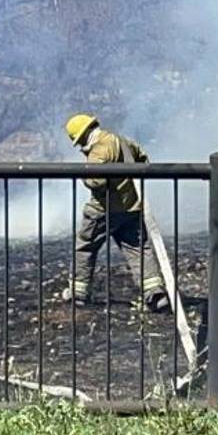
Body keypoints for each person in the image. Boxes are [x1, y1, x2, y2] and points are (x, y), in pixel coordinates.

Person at [62, 112, 169, 312]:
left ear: (83, 136)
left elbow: (97, 181)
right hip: (131, 208)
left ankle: (78, 293)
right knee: (138, 250)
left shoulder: (98, 151)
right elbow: (143, 160)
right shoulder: (122, 141)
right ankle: (155, 294)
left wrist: (85, 176)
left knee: (85, 246)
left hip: (103, 210)